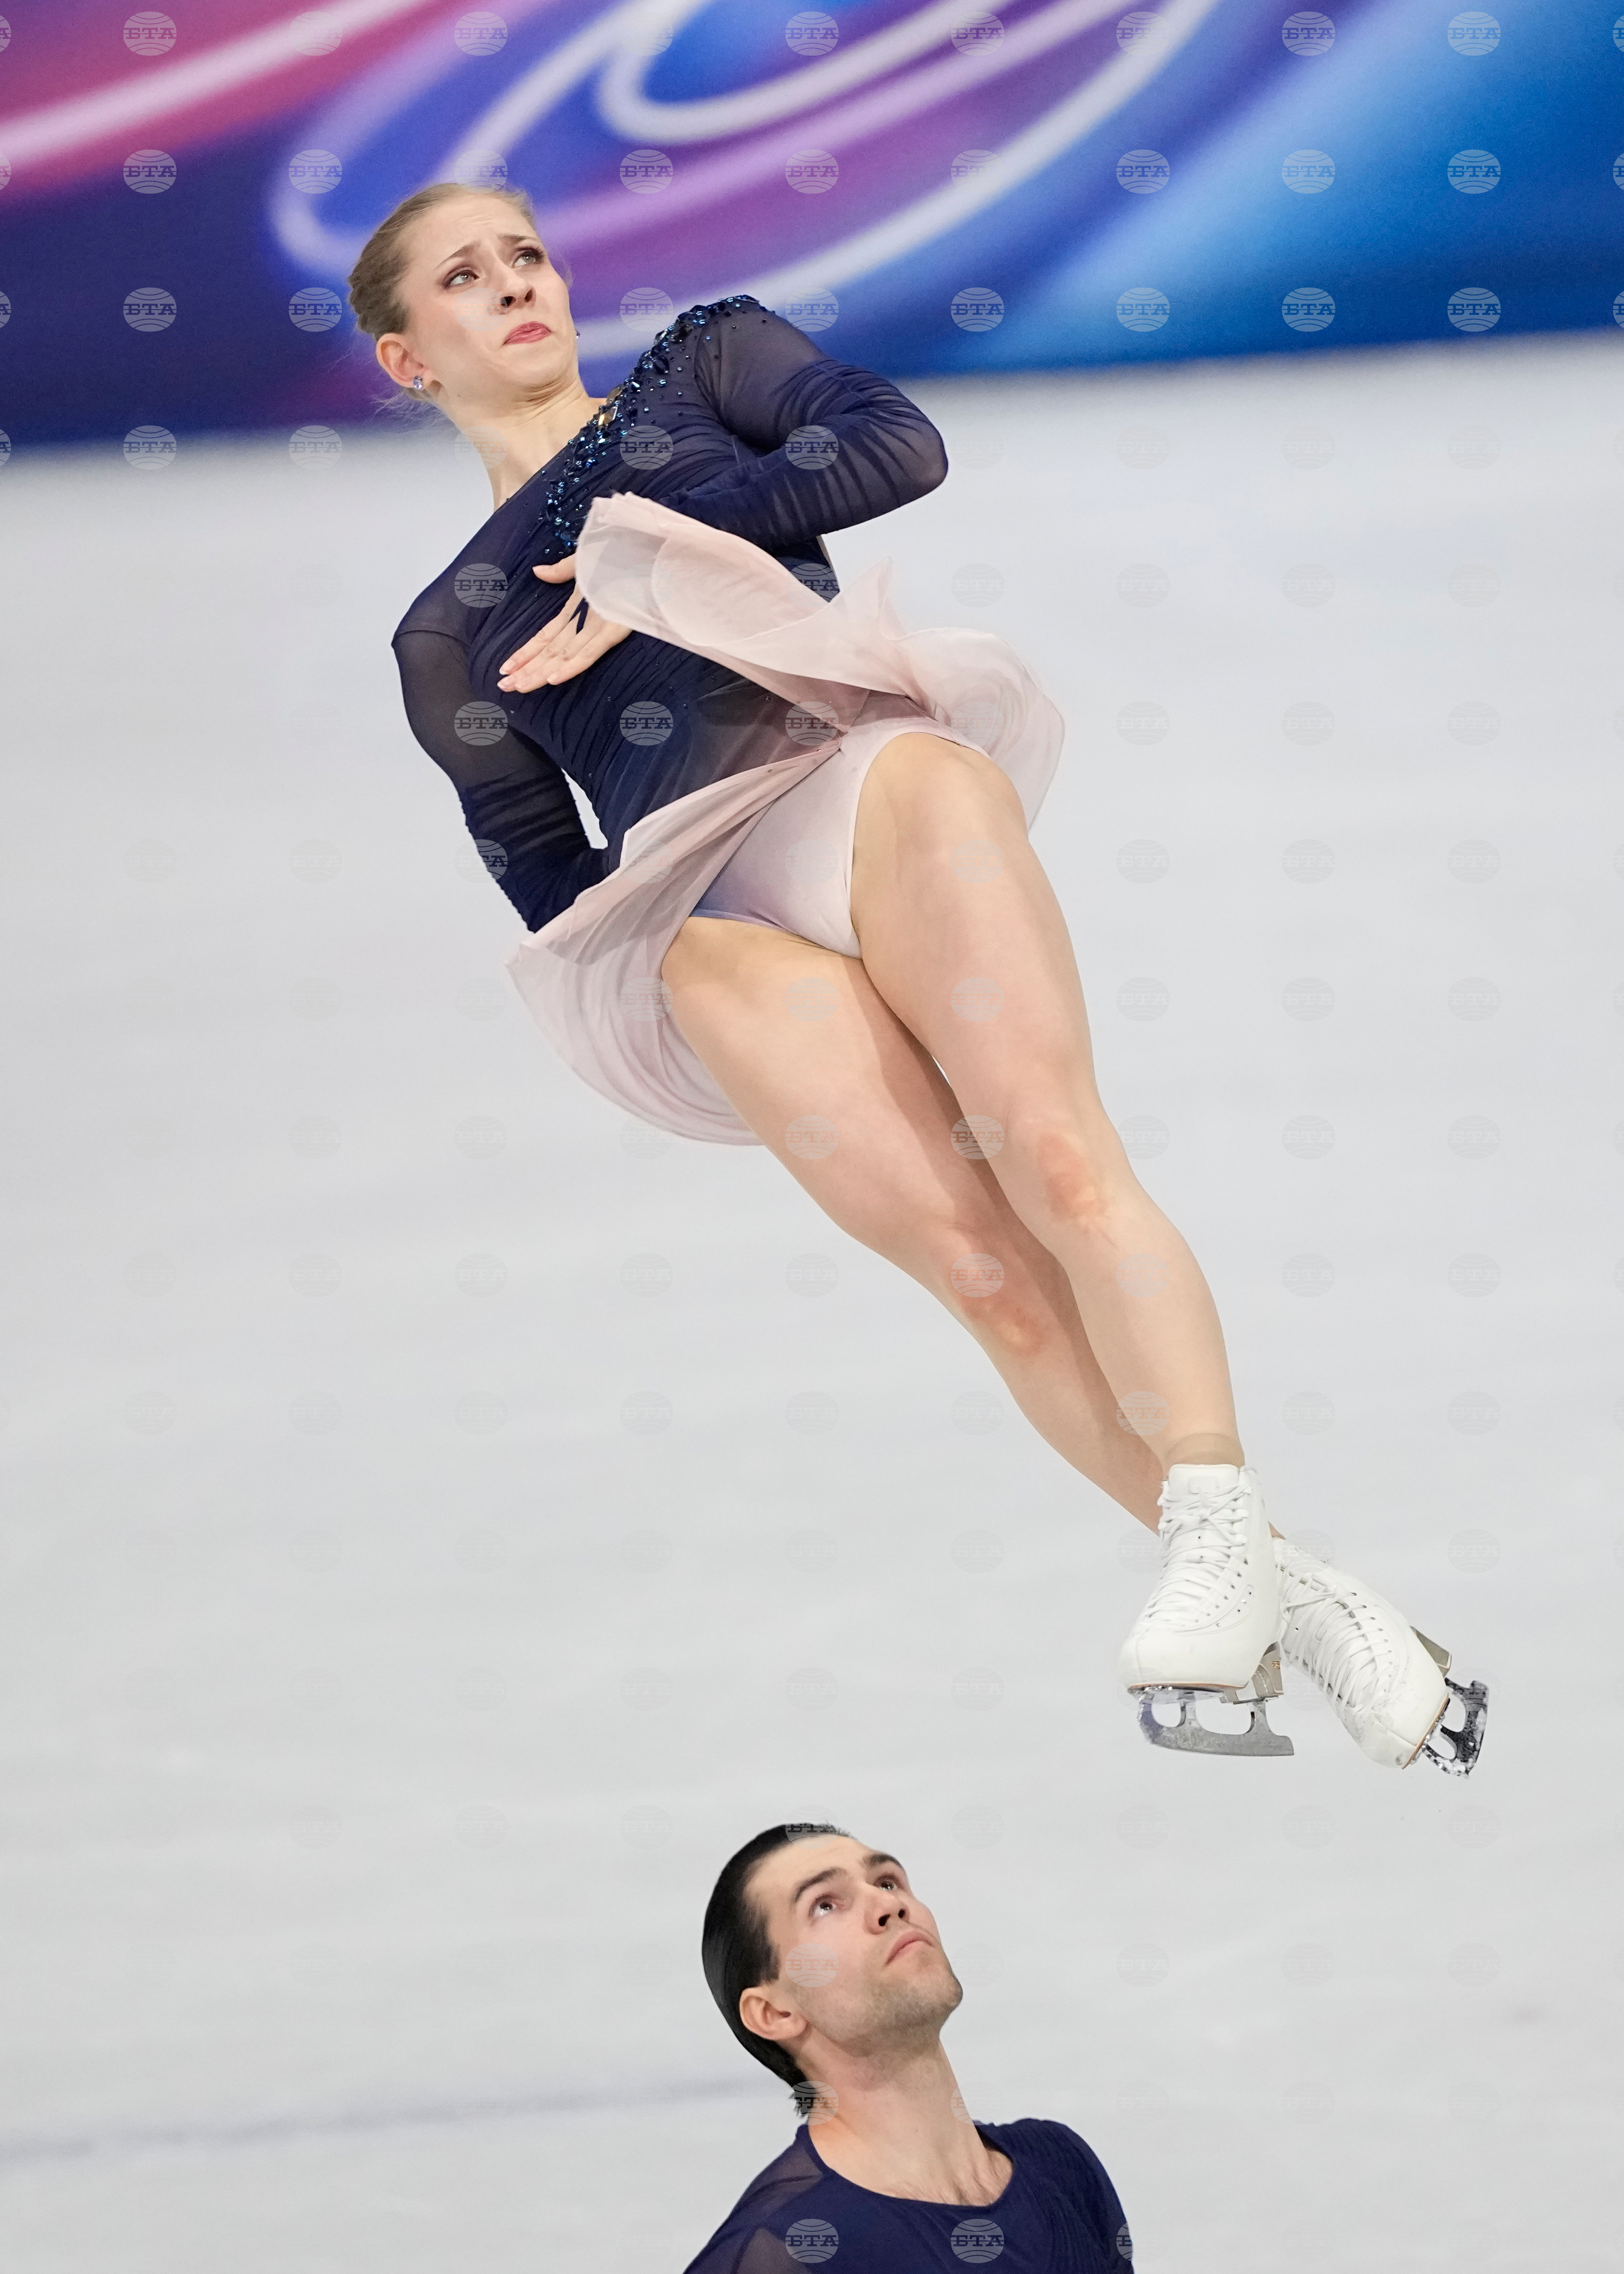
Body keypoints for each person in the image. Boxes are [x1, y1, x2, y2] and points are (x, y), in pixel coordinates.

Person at [347, 181, 1488, 1773]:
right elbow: (538, 855)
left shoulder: (699, 369)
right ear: (410, 360)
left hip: (862, 789)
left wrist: (648, 562)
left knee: (1054, 1153)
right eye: (466, 280)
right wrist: (663, 970)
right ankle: (1308, 1605)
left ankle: (1221, 1525)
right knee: (986, 1277)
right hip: (713, 921)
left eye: (525, 254)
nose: (517, 287)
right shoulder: (443, 635)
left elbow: (890, 444)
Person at [684, 1824, 1133, 2271]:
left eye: (886, 1881)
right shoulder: (783, 2249)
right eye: (824, 1905)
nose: (888, 1904)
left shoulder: (1062, 2165)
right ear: (776, 2013)